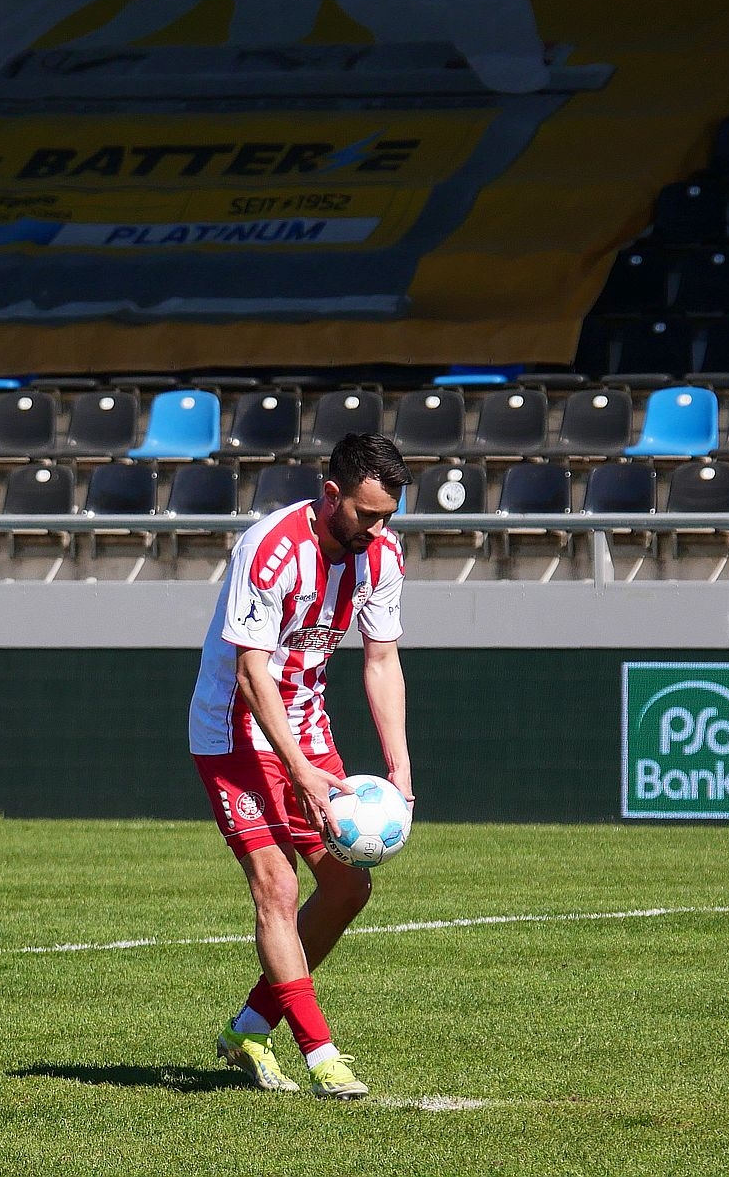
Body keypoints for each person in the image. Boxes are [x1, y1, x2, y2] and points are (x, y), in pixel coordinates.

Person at [189, 431, 415, 1100]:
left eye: (388, 516)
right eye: (366, 514)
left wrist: (400, 768)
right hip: (234, 730)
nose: (377, 529)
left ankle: (249, 1028)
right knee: (278, 888)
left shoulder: (382, 554)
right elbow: (250, 672)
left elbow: (382, 659)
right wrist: (298, 771)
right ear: (331, 494)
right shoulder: (270, 548)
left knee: (348, 889)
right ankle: (322, 1056)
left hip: (307, 730)